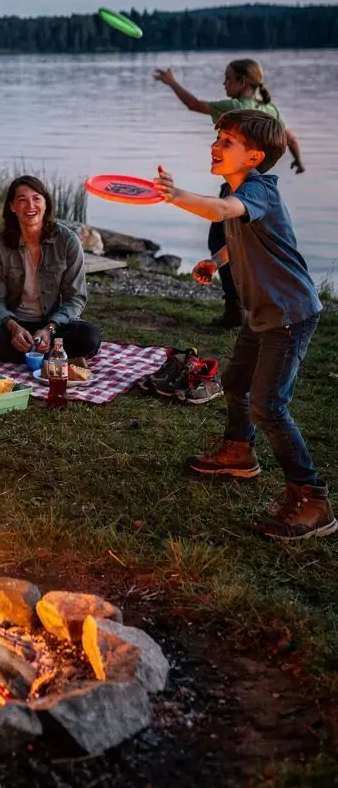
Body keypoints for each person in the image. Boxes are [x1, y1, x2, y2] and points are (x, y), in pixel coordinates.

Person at [155, 111, 333, 542]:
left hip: (288, 315)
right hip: (261, 311)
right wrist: (215, 261)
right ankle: (238, 452)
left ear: (253, 156)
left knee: (269, 406)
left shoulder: (257, 191)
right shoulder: (238, 190)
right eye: (217, 137)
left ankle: (312, 499)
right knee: (235, 382)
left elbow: (220, 211)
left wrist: (175, 193)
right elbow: (243, 238)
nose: (215, 146)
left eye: (227, 141)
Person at [154, 57, 305, 329]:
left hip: (286, 308)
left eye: (227, 79)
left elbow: (221, 209)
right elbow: (291, 139)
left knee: (221, 230)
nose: (224, 84)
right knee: (238, 234)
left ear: (242, 82)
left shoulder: (235, 110)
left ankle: (233, 306)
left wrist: (174, 194)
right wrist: (299, 162)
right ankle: (239, 306)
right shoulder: (270, 108)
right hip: (265, 307)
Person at [0, 175, 102, 365]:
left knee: (90, 337)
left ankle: (3, 355)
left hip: (52, 325)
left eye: (36, 199)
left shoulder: (67, 241)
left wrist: (49, 329)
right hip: (10, 325)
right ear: (12, 206)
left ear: (46, 204)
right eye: (22, 200)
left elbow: (75, 298)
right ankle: (57, 357)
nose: (30, 206)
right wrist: (14, 328)